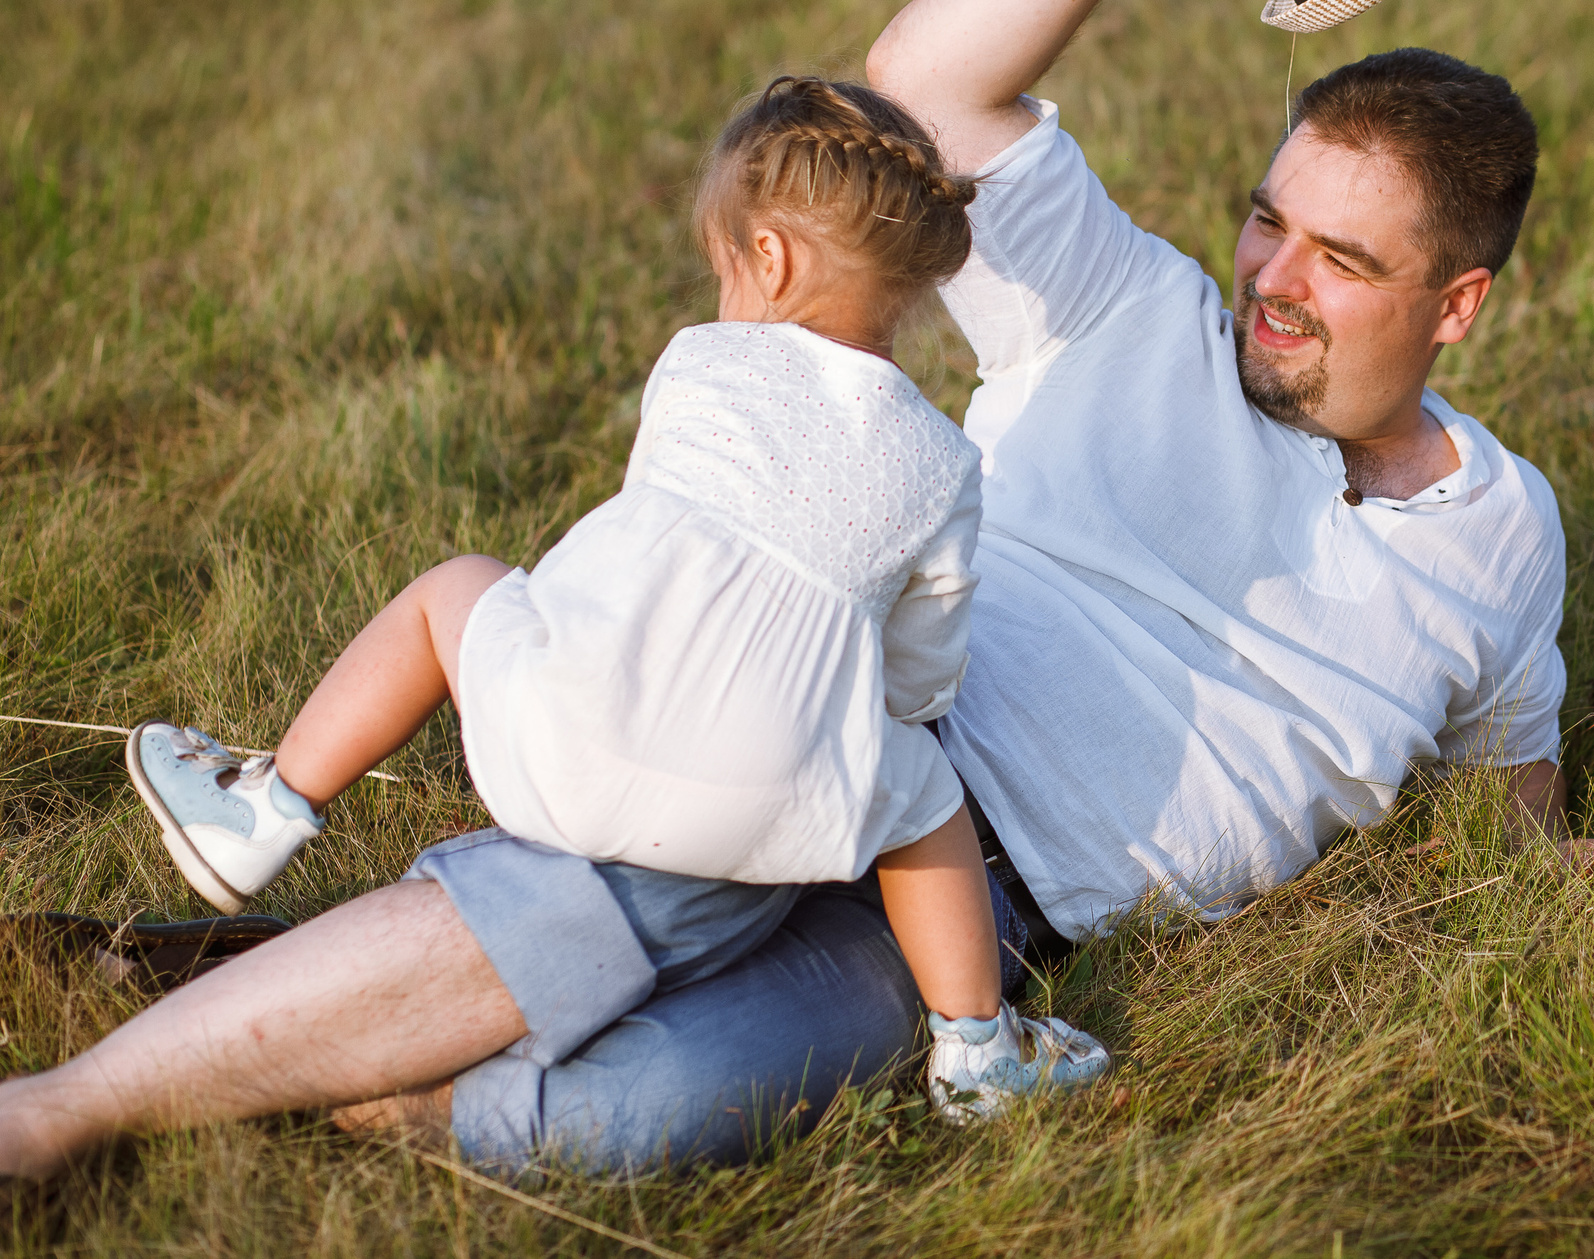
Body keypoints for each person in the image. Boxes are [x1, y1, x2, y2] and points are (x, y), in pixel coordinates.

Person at [0, 0, 1583, 1179]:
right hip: (832, 728)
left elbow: (1514, 791)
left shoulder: (1505, 534)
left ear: (1457, 303)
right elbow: (927, 82)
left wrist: (1563, 862)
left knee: (639, 1110)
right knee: (623, 910)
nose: (1274, 280)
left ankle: (278, 1001)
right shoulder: (1124, 312)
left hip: (985, 917)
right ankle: (64, 1107)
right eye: (1268, 220)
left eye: (1342, 261)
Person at [122, 77, 1107, 1128]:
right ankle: (976, 1046)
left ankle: (264, 807)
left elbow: (650, 552)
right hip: (773, 818)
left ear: (768, 259)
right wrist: (868, 715)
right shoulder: (942, 464)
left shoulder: (701, 364)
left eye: (722, 265)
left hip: (566, 751)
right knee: (924, 793)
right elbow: (918, 680)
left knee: (452, 589)